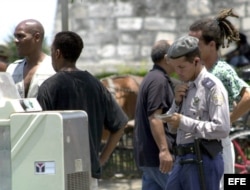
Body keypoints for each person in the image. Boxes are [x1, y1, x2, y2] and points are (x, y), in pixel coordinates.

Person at [36, 31, 128, 189]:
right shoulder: (96, 84)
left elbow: (38, 134)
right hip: (88, 172)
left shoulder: (49, 87)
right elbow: (120, 124)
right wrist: (100, 160)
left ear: (57, 53)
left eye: (51, 52)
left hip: (57, 173)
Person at [188, 8, 250, 189]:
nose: (191, 49)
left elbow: (247, 96)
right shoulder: (196, 71)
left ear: (212, 45)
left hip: (216, 147)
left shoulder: (221, 70)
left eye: (196, 44)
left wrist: (226, 120)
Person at [163, 35, 230, 190]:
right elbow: (173, 128)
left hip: (202, 159)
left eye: (181, 67)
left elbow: (222, 128)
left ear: (196, 61)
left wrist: (183, 122)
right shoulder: (185, 86)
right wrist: (176, 103)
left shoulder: (212, 87)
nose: (177, 72)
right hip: (181, 159)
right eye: (175, 68)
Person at [133, 39, 176, 190]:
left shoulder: (152, 77)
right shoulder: (158, 81)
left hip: (150, 157)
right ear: (166, 58)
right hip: (158, 157)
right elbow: (155, 118)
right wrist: (164, 151)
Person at [6, 19, 55, 98]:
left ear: (37, 37)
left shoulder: (53, 68)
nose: (15, 40)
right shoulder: (12, 69)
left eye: (21, 36)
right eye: (15, 36)